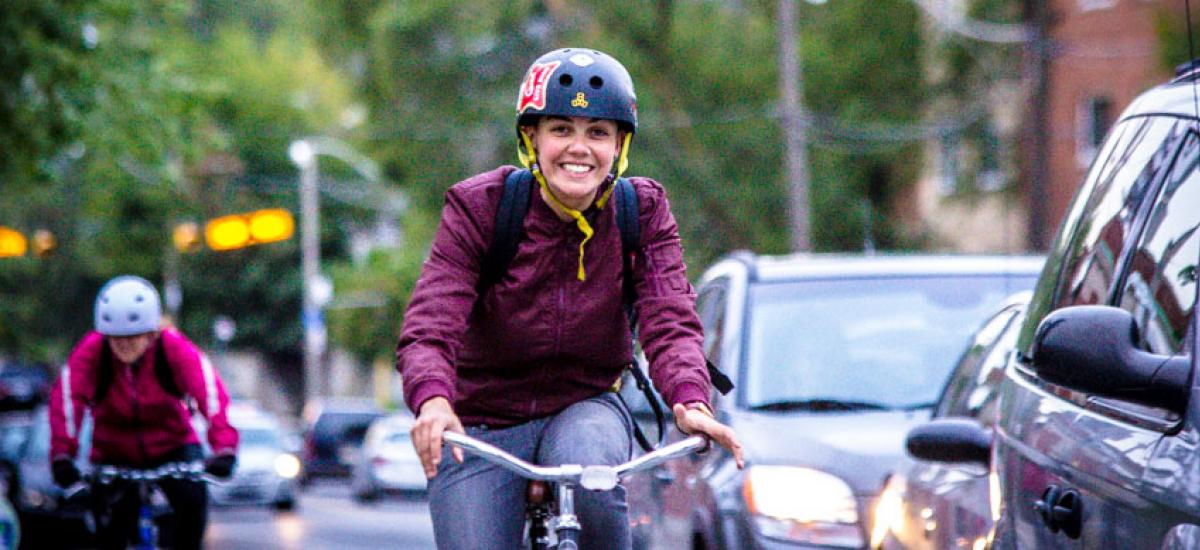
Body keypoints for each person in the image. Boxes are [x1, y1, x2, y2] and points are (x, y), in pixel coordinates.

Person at [397, 47, 744, 550]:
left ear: (620, 146)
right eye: (561, 129)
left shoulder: (642, 212)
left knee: (595, 485)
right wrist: (432, 401)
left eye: (597, 132)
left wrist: (689, 400)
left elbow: (669, 317)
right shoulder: (481, 208)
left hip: (585, 405)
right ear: (531, 138)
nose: (578, 148)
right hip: (479, 420)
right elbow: (431, 323)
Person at [49, 275, 239, 550]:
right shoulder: (93, 352)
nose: (124, 345)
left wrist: (224, 449)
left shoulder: (172, 347)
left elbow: (209, 393)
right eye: (116, 338)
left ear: (151, 333)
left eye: (133, 337)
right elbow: (67, 399)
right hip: (113, 453)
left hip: (174, 448)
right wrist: (62, 456)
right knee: (108, 530)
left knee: (193, 509)